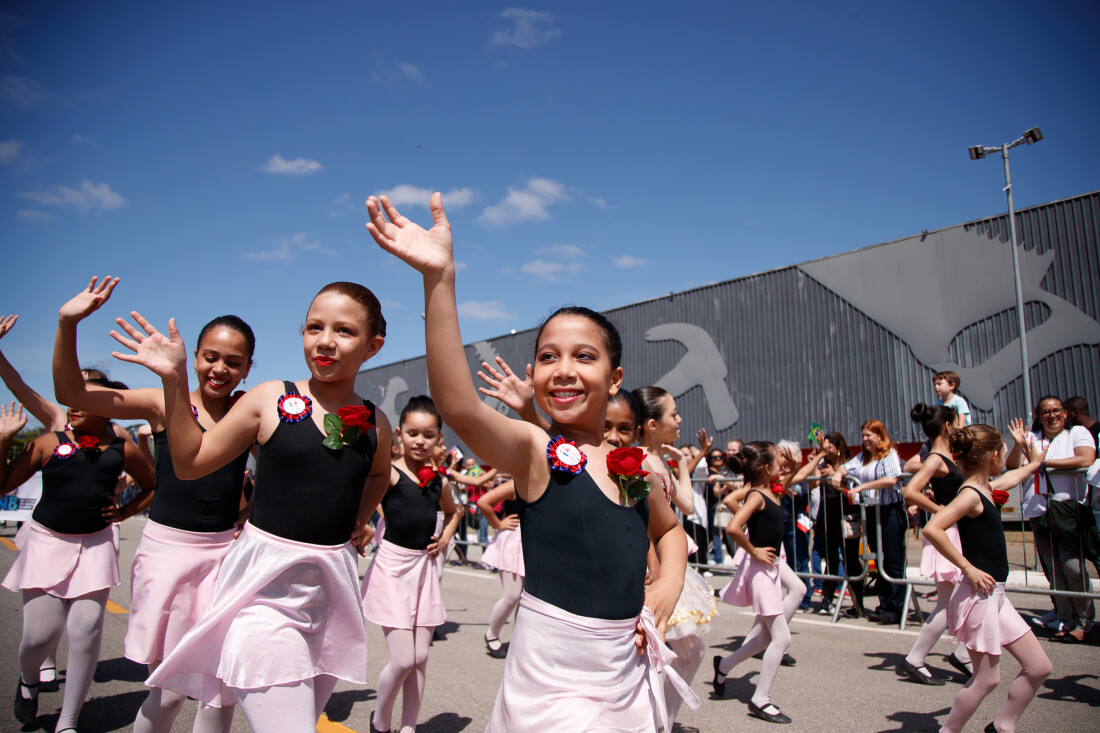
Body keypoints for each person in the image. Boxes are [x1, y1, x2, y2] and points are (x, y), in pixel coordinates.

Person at [367, 192, 691, 733]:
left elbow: (671, 532)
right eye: (548, 356)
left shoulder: (629, 465)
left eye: (584, 356)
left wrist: (668, 584)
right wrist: (439, 277)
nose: (563, 369)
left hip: (626, 672)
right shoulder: (536, 451)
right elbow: (459, 407)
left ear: (615, 379)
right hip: (552, 676)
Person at [110, 281, 392, 733]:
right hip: (262, 590)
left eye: (344, 331)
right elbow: (190, 462)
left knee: (271, 713)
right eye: (314, 327)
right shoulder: (267, 398)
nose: (324, 341)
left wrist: (357, 518)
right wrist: (172, 380)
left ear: (373, 346)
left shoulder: (377, 422)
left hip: (330, 593)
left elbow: (379, 474)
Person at [52, 276, 257, 733]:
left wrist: (248, 517)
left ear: (246, 369)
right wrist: (68, 325)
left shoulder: (250, 410)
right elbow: (73, 394)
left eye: (233, 361)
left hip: (226, 558)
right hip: (168, 554)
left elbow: (286, 471)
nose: (219, 369)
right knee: (166, 696)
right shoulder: (166, 402)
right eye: (210, 357)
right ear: (194, 357)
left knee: (219, 695)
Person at [1, 386, 155, 733]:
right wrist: (2, 439)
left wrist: (124, 511)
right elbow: (3, 483)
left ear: (105, 407)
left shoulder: (122, 447)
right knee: (40, 637)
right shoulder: (48, 442)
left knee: (85, 631)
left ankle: (68, 722)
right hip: (47, 543)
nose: (72, 405)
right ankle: (28, 680)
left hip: (96, 546)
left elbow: (152, 484)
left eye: (83, 399)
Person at [924, 424, 1052, 733]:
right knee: (987, 678)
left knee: (1038, 667)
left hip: (997, 596)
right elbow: (933, 528)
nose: (1006, 458)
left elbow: (1010, 477)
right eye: (1005, 452)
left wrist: (1033, 464)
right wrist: (967, 568)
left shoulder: (985, 487)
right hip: (977, 596)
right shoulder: (970, 495)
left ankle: (1002, 726)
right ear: (993, 455)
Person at [362, 395, 458, 733]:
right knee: (403, 659)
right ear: (399, 434)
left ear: (438, 438)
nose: (420, 441)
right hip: (392, 568)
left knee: (419, 660)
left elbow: (454, 512)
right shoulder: (387, 474)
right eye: (412, 433)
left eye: (428, 435)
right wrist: (365, 526)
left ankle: (409, 727)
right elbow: (361, 502)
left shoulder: (440, 481)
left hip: (424, 571)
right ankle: (380, 722)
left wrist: (445, 538)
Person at [632, 386, 717, 728]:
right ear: (652, 424)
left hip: (668, 565)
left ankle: (659, 723)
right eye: (673, 414)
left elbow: (686, 505)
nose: (680, 419)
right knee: (669, 653)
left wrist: (683, 462)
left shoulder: (658, 459)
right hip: (651, 568)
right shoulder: (637, 461)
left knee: (685, 652)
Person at [712, 441, 806, 724]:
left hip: (774, 566)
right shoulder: (756, 495)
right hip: (762, 570)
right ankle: (760, 700)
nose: (783, 465)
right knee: (782, 638)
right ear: (767, 469)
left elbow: (788, 480)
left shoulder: (770, 489)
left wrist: (797, 466)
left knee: (768, 635)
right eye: (779, 461)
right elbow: (732, 526)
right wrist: (753, 550)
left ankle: (724, 665)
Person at [1007, 395, 1097, 643]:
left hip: (1067, 512)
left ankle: (1083, 622)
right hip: (1039, 512)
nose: (1052, 415)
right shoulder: (1033, 438)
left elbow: (1086, 459)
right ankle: (1066, 621)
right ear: (1039, 414)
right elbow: (1013, 466)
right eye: (1046, 412)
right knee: (1054, 571)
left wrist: (1042, 463)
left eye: (1056, 410)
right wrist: (1018, 445)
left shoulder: (1076, 433)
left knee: (1073, 568)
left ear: (1065, 413)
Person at [898, 403, 972, 685]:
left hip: (958, 532)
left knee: (964, 599)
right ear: (948, 427)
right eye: (957, 422)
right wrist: (940, 511)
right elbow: (910, 490)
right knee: (948, 603)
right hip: (948, 533)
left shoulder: (949, 456)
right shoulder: (936, 458)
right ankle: (916, 659)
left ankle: (962, 653)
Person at [833, 419, 906, 624]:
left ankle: (896, 607)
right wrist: (839, 473)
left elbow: (892, 479)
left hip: (889, 510)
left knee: (892, 559)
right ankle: (884, 605)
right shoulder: (862, 457)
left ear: (879, 436)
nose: (865, 439)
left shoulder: (889, 454)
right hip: (872, 512)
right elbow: (847, 467)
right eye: (863, 435)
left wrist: (863, 487)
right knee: (878, 557)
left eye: (869, 435)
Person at [815, 432, 864, 617]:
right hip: (826, 518)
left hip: (846, 518)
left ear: (838, 449)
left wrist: (837, 481)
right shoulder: (822, 466)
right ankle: (827, 601)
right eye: (824, 448)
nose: (826, 452)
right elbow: (810, 482)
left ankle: (857, 602)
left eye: (829, 449)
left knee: (850, 560)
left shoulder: (849, 467)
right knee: (830, 560)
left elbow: (854, 493)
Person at [477, 479, 523, 658]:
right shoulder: (515, 482)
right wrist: (498, 524)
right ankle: (491, 635)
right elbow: (483, 502)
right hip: (513, 541)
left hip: (531, 541)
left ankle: (520, 640)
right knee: (512, 595)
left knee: (526, 600)